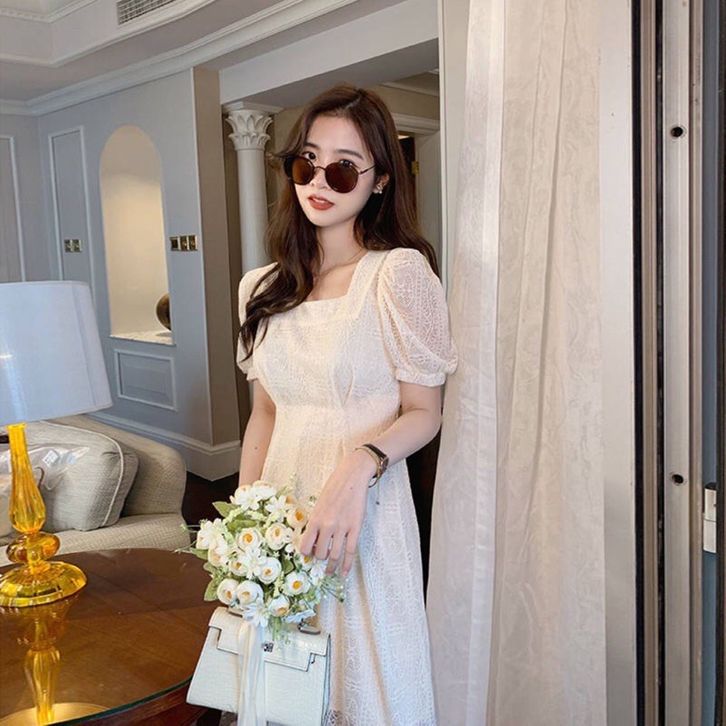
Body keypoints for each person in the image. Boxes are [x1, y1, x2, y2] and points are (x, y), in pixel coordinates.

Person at [236, 83, 458, 726]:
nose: (319, 182)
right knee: (281, 674)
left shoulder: (398, 274)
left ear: (380, 179)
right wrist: (244, 521)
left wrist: (360, 464)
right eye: (307, 162)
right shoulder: (259, 287)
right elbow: (266, 413)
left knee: (363, 675)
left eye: (343, 168)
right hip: (281, 503)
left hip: (365, 509)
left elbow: (425, 411)